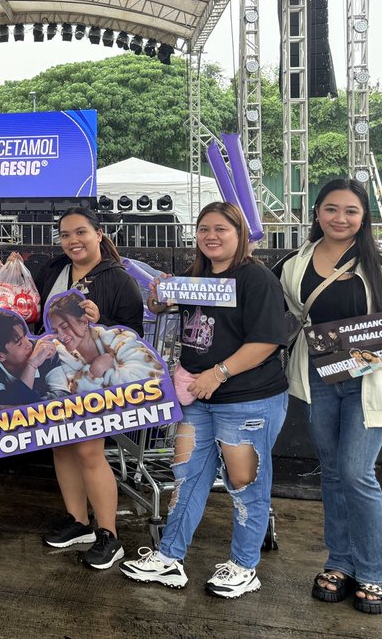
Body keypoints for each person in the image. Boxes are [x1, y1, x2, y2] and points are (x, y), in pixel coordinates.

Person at [274, 178, 382, 616]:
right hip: (319, 377)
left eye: (350, 211)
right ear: (317, 213)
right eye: (330, 209)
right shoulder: (294, 263)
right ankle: (339, 562)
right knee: (331, 472)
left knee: (355, 472)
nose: (339, 218)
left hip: (370, 378)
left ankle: (374, 572)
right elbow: (260, 301)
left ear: (364, 217)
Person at [121, 202, 288, 599]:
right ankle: (169, 558)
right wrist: (160, 300)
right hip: (198, 398)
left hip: (247, 400)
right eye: (203, 229)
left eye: (221, 229)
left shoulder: (256, 279)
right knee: (187, 478)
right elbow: (167, 310)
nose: (211, 236)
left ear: (240, 234)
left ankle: (244, 566)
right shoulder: (195, 276)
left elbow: (266, 341)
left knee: (245, 483)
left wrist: (220, 373)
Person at [22, 205, 145, 569]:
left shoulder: (118, 279)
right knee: (60, 447)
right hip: (56, 377)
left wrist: (100, 321)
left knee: (90, 452)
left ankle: (110, 534)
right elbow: (35, 312)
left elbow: (133, 337)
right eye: (65, 235)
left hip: (96, 383)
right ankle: (78, 522)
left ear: (98, 234)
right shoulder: (54, 269)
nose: (73, 241)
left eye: (80, 232)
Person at [0, 308, 68, 410]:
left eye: (25, 336)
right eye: (19, 343)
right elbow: (3, 414)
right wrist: (31, 365)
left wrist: (20, 405)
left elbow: (63, 400)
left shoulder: (44, 350)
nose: (29, 344)